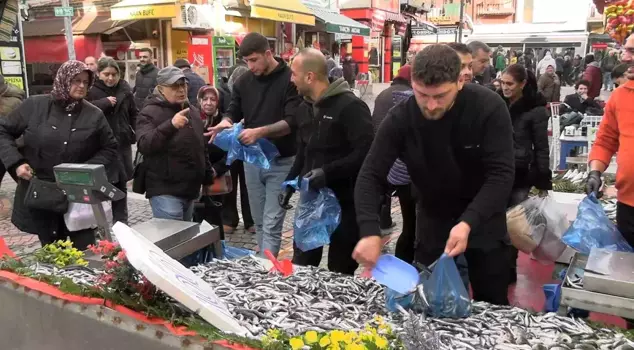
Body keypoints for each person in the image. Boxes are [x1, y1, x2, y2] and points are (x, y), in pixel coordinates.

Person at [352, 44, 515, 305]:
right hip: (433, 220)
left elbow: (501, 175)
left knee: (492, 302)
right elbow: (370, 175)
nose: (430, 105)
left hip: (484, 219)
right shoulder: (401, 118)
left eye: (440, 96)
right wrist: (370, 231)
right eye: (421, 94)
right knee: (433, 302)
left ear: (460, 81)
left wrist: (467, 223)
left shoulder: (488, 107)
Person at [0, 60, 118, 249]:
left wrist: (84, 170)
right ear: (63, 79)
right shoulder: (35, 106)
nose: (81, 86)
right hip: (43, 192)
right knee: (52, 250)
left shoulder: (94, 114)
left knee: (85, 248)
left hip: (78, 195)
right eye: (76, 80)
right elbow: (3, 131)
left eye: (85, 82)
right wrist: (16, 163)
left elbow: (110, 148)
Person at [205, 32, 301, 258]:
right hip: (252, 160)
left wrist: (260, 132)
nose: (250, 66)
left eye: (254, 60)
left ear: (268, 54)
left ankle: (266, 270)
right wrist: (225, 123)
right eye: (246, 61)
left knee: (271, 221)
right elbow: (233, 110)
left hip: (281, 160)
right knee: (258, 221)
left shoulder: (289, 79)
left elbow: (292, 121)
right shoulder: (243, 81)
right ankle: (265, 266)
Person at [279, 48, 373, 274]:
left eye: (293, 74)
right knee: (302, 264)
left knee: (339, 270)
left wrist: (327, 172)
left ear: (309, 76)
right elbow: (303, 150)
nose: (291, 79)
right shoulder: (304, 107)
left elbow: (366, 153)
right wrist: (289, 182)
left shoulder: (351, 106)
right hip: (311, 201)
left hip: (345, 202)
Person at [135, 66, 214, 221]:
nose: (181, 90)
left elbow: (200, 144)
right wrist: (171, 125)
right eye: (175, 86)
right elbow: (145, 144)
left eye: (183, 85)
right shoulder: (149, 112)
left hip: (190, 189)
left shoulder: (192, 110)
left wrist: (207, 174)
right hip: (165, 190)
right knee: (173, 240)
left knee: (187, 239)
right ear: (161, 89)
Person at [586, 32, 634, 283]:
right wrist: (595, 171)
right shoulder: (620, 95)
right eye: (626, 50)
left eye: (632, 52)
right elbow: (605, 140)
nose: (625, 57)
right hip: (628, 205)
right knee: (628, 280)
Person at [499, 63, 551, 283]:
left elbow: (541, 147)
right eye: (502, 82)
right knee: (494, 220)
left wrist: (543, 180)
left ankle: (508, 268)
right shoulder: (496, 102)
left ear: (523, 84)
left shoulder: (536, 110)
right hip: (497, 169)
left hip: (521, 173)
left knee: (514, 223)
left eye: (509, 84)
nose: (504, 87)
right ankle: (494, 264)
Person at [371, 64, 416, 262]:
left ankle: (383, 219)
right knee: (411, 225)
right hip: (403, 166)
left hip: (384, 156)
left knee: (385, 194)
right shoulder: (409, 98)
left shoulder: (383, 94)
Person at [87, 57, 138, 224]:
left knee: (120, 184)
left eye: (114, 74)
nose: (110, 78)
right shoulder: (91, 90)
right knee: (101, 185)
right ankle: (99, 225)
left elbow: (133, 113)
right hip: (100, 146)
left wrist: (135, 131)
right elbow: (84, 110)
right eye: (106, 74)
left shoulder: (125, 89)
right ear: (99, 74)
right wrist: (103, 103)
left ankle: (121, 223)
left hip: (121, 143)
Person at [0, 75, 25, 185]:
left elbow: (19, 126)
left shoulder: (13, 102)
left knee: (23, 179)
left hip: (11, 147)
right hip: (11, 146)